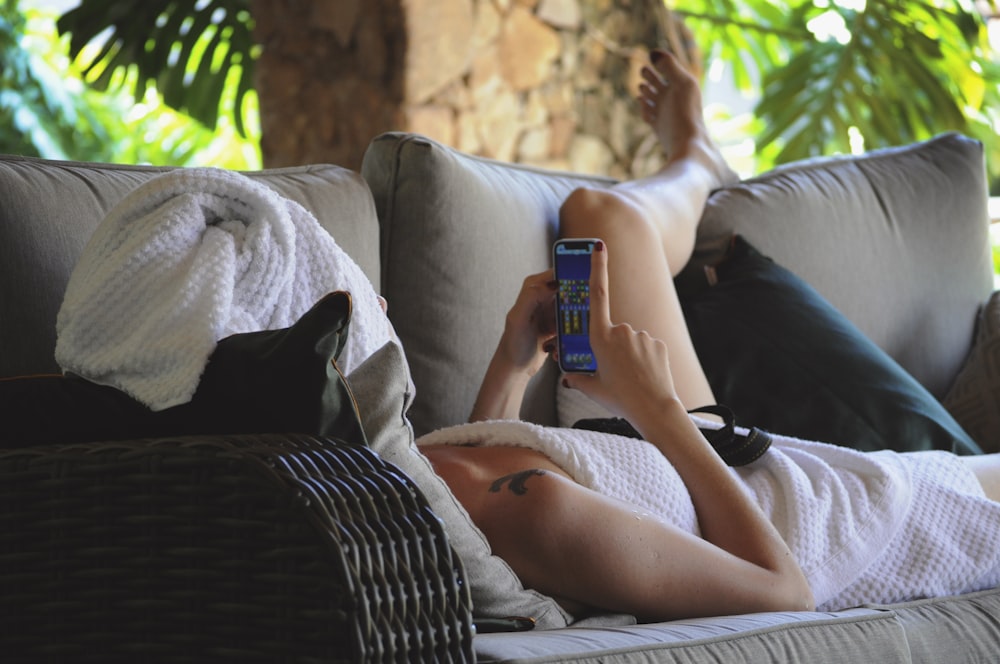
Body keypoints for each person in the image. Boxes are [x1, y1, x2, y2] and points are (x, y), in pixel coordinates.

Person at [416, 49, 1000, 623]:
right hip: (810, 508)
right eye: (374, 305)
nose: (389, 303)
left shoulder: (422, 466)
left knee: (601, 216)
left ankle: (696, 158)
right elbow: (783, 591)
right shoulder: (537, 511)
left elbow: (471, 508)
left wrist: (513, 365)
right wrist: (652, 401)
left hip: (675, 453)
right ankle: (695, 158)